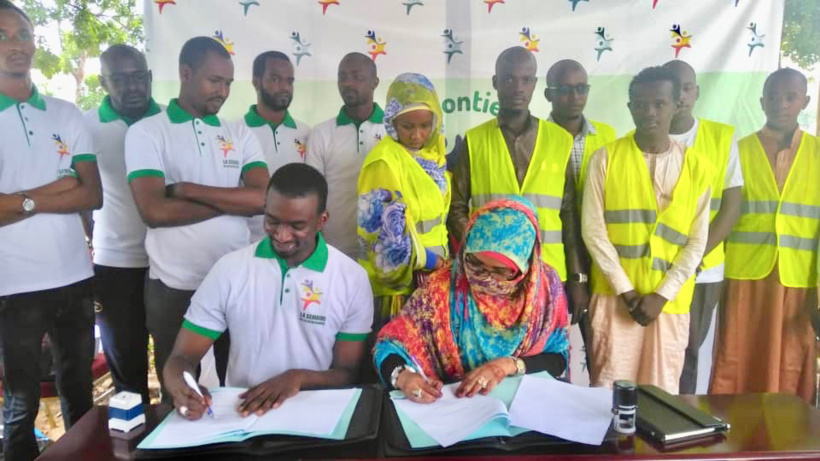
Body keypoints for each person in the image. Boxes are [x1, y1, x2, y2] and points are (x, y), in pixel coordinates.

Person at [164, 164, 374, 420]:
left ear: (322, 221)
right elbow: (181, 358)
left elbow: (347, 373)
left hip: (318, 415)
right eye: (272, 221)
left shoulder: (351, 279)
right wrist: (182, 387)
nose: (282, 235)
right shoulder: (230, 269)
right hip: (242, 415)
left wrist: (295, 379)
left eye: (297, 225)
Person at [125, 36, 269, 403]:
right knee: (184, 396)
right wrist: (234, 201)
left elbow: (265, 198)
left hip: (236, 284)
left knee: (239, 389)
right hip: (174, 288)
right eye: (214, 81)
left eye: (228, 83)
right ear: (185, 73)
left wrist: (188, 188)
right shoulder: (146, 132)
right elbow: (154, 211)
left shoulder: (237, 132)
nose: (222, 91)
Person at [0, 2, 102, 459]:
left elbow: (91, 194)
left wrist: (19, 200)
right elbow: (72, 188)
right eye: (2, 36)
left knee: (79, 390)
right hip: (14, 283)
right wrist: (56, 190)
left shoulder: (65, 113)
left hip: (74, 277)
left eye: (22, 33)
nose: (15, 45)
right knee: (19, 403)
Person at [582, 66, 713, 394]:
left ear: (676, 105)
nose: (649, 112)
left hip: (668, 305)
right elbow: (593, 232)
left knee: (661, 396)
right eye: (640, 104)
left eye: (659, 104)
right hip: (614, 299)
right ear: (630, 108)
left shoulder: (698, 166)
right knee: (608, 394)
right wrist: (627, 291)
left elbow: (697, 241)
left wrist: (661, 295)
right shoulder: (605, 159)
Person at [375, 197, 569, 402]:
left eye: (501, 271)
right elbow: (389, 347)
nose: (485, 278)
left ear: (526, 266)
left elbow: (558, 358)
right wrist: (404, 377)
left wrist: (507, 366)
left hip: (525, 409)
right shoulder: (442, 289)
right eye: (475, 264)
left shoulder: (546, 289)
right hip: (455, 408)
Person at [448, 47, 585, 317]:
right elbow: (456, 208)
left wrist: (578, 276)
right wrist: (485, 255)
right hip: (490, 278)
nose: (517, 87)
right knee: (493, 356)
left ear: (535, 83)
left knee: (543, 355)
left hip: (549, 273)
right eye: (509, 79)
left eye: (526, 79)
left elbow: (568, 213)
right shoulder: (475, 140)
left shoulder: (559, 140)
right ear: (496, 83)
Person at [710, 68, 819, 403]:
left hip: (799, 279)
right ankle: (734, 434)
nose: (780, 104)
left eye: (790, 97)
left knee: (790, 361)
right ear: (761, 101)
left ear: (806, 101)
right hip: (745, 274)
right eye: (773, 96)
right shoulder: (739, 151)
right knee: (738, 356)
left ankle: (788, 435)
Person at [84, 44, 162, 404]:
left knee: (178, 368)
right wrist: (93, 238)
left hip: (168, 266)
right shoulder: (86, 127)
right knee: (127, 377)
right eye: (119, 79)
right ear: (103, 82)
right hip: (115, 267)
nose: (131, 87)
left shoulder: (168, 120)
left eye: (137, 77)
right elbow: (81, 196)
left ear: (148, 78)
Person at [662, 60, 743, 394]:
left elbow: (731, 207)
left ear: (696, 92)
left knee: (688, 351)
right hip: (654, 268)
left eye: (686, 88)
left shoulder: (721, 137)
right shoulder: (642, 136)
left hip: (703, 269)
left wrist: (694, 256)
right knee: (655, 353)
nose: (680, 96)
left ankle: (680, 424)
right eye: (673, 88)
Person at [357, 73, 450, 329]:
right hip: (400, 288)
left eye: (425, 125)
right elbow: (384, 236)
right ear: (391, 122)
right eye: (407, 126)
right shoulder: (384, 161)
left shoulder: (434, 159)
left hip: (433, 279)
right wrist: (432, 261)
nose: (417, 135)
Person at [544, 59, 617, 371]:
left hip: (601, 255)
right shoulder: (537, 138)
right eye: (564, 90)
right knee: (552, 349)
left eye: (581, 88)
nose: (574, 97)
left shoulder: (609, 136)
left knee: (601, 347)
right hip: (555, 258)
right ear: (548, 94)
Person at [307, 52, 385, 259]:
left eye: (357, 77)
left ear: (374, 82)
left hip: (385, 251)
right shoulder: (320, 133)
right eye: (342, 77)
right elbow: (312, 195)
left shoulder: (394, 131)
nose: (348, 83)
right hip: (334, 249)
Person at [241, 51, 311, 242]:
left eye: (289, 81)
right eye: (275, 79)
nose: (285, 87)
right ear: (256, 82)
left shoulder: (306, 133)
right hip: (248, 245)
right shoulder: (237, 133)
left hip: (296, 244)